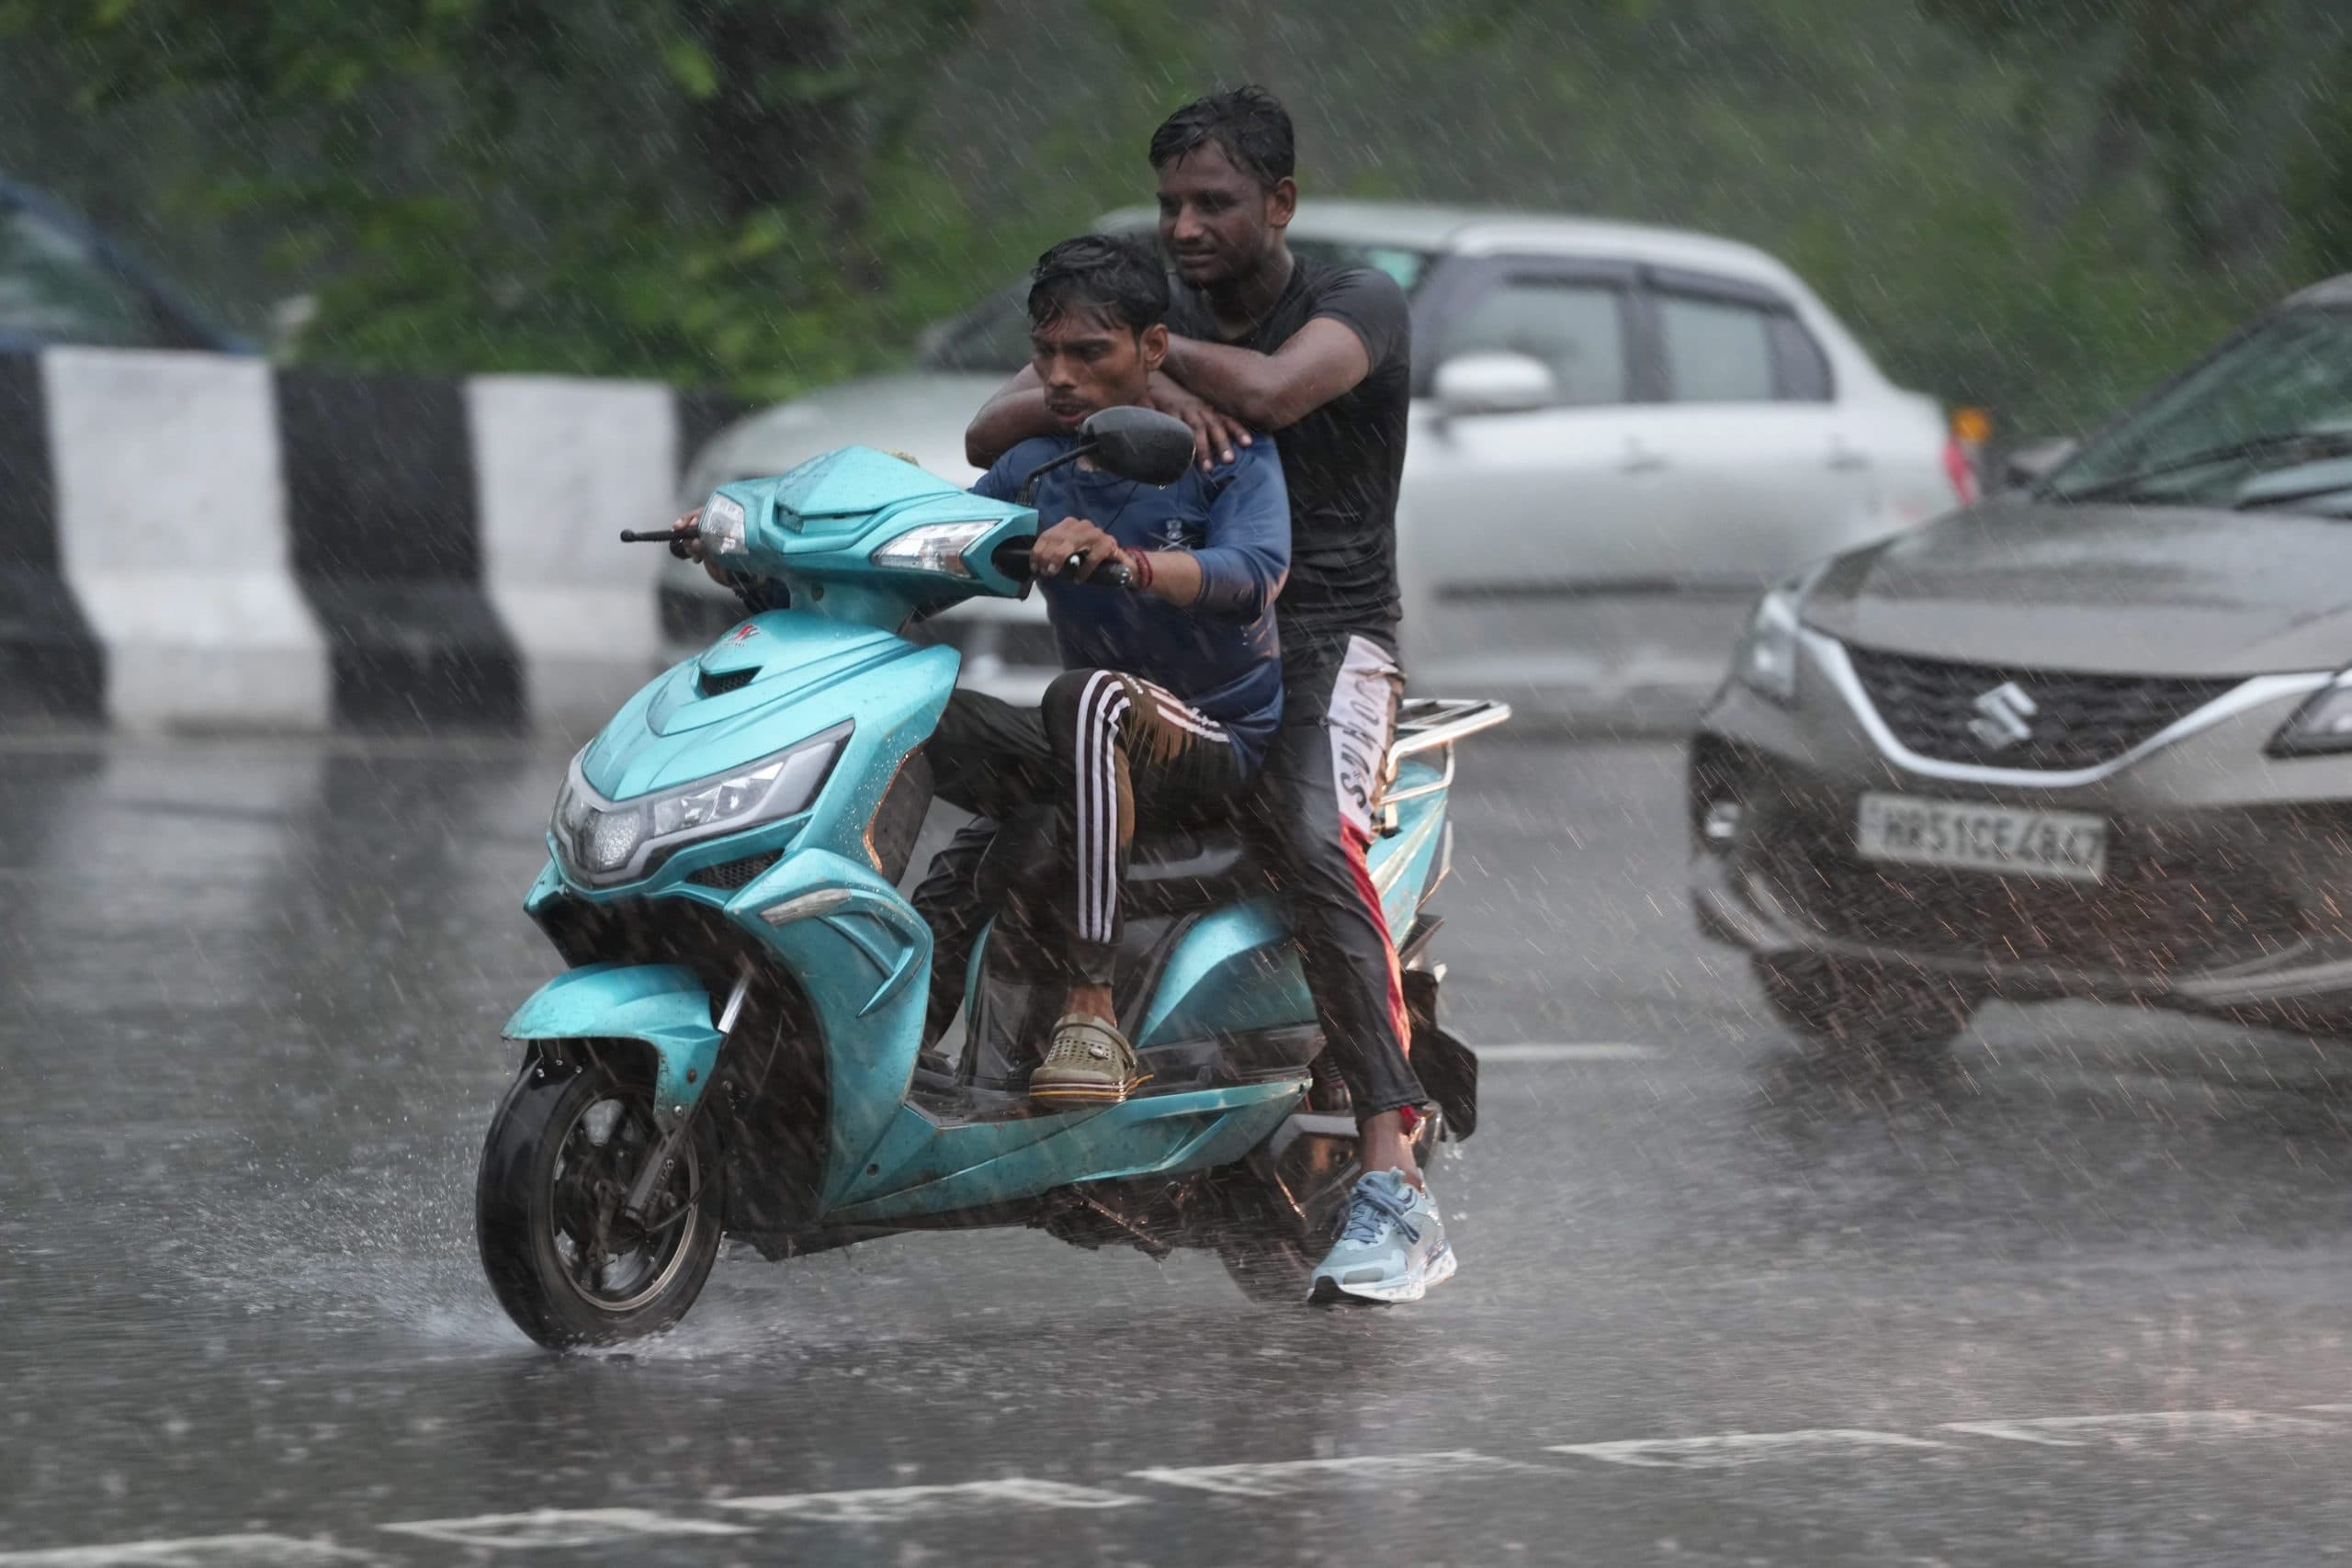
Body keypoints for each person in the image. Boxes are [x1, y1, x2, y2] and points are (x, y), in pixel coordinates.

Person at [965, 88, 1450, 1306]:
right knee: (1002, 799)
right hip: (1181, 644)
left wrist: (1162, 363)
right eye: (1170, 202)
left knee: (1304, 838)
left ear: (1279, 204)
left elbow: (1281, 393)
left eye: (1213, 203)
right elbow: (997, 428)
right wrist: (1124, 370)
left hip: (1326, 641)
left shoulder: (1356, 304)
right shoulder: (1151, 317)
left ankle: (1396, 1184)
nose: (1183, 227)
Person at [685, 233, 1288, 1102]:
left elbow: (1256, 575)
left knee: (1084, 699)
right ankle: (844, 1009)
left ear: (1153, 351)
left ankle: (1093, 1012)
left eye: (1089, 353)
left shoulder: (1226, 453)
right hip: (1087, 749)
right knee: (906, 707)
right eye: (1044, 354)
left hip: (1209, 741)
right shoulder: (1040, 465)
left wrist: (1130, 561)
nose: (1060, 378)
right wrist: (749, 565)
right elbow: (920, 581)